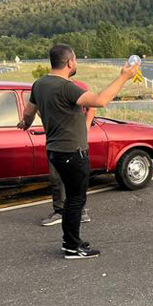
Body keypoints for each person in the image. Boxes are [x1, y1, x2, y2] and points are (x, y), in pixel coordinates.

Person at [19, 44, 138, 260]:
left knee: (73, 199)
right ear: (69, 63)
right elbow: (100, 100)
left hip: (54, 151)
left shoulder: (39, 84)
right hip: (72, 152)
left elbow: (28, 114)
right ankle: (72, 247)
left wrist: (25, 124)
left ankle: (72, 241)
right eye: (75, 60)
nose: (76, 63)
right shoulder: (67, 87)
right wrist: (124, 77)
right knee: (75, 200)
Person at [40, 79, 94, 227]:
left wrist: (85, 128)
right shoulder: (48, 86)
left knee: (73, 179)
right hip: (57, 140)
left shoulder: (78, 86)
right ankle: (61, 211)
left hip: (73, 142)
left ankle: (76, 212)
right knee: (57, 178)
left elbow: (93, 107)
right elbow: (38, 109)